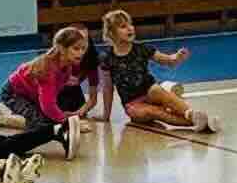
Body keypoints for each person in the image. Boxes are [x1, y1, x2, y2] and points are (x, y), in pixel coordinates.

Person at [91, 9, 215, 138]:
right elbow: (107, 88)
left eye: (130, 24)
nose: (130, 28)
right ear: (112, 34)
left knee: (157, 90)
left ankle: (191, 114)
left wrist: (177, 57)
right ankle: (200, 123)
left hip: (150, 92)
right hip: (133, 104)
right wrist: (106, 115)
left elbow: (168, 61)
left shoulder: (142, 49)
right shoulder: (106, 58)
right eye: (123, 26)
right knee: (154, 112)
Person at [0, 27, 93, 155]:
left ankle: (4, 119)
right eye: (76, 49)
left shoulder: (67, 66)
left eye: (83, 49)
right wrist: (67, 122)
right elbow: (48, 106)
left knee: (45, 120)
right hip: (13, 93)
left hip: (29, 93)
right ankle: (12, 148)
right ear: (62, 49)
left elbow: (52, 96)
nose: (81, 53)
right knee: (40, 124)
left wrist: (61, 116)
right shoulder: (48, 70)